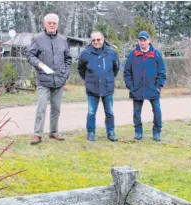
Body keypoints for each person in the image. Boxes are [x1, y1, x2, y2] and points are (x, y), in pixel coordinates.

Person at [26, 13, 72, 145]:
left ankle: (54, 131)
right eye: (49, 23)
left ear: (57, 25)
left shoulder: (63, 40)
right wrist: (38, 64)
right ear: (44, 24)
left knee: (56, 108)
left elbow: (68, 58)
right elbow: (30, 55)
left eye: (54, 23)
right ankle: (37, 134)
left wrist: (65, 73)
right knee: (41, 107)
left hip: (59, 80)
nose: (52, 25)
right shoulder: (37, 39)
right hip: (43, 80)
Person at [77, 31, 120, 141]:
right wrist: (88, 80)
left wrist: (108, 78)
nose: (96, 42)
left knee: (109, 112)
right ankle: (91, 132)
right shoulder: (85, 54)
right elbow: (80, 69)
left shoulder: (112, 53)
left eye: (98, 39)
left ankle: (111, 132)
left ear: (103, 39)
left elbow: (116, 68)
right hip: (92, 88)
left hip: (107, 87)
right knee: (91, 112)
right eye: (93, 40)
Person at [124, 31, 166, 141]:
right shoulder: (133, 54)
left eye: (144, 40)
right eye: (140, 40)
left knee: (157, 111)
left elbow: (162, 72)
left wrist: (158, 86)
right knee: (136, 113)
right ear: (138, 41)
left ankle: (157, 131)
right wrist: (131, 86)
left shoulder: (156, 54)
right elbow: (127, 72)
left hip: (153, 88)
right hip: (137, 89)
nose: (142, 42)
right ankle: (138, 131)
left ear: (149, 40)